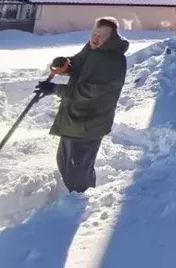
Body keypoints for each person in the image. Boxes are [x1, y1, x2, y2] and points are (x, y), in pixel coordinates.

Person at [34, 17, 128, 192]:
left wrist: (55, 89)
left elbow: (89, 92)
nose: (96, 38)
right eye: (95, 33)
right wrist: (64, 64)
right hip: (74, 118)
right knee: (64, 163)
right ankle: (76, 198)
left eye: (102, 36)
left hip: (90, 122)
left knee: (77, 171)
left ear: (112, 38)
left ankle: (79, 204)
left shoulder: (114, 61)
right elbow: (77, 64)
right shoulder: (92, 49)